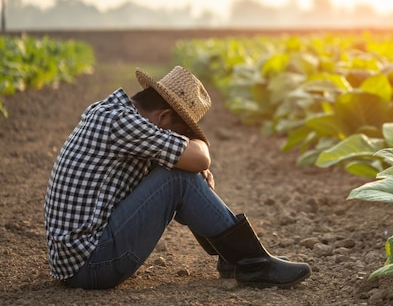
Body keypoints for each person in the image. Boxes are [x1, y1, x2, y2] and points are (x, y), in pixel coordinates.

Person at [43, 66, 311, 290]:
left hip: (78, 261)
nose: (179, 139)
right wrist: (194, 149)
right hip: (92, 265)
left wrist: (188, 163)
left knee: (180, 172)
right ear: (164, 117)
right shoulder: (123, 123)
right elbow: (201, 157)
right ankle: (253, 263)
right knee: (178, 178)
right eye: (179, 133)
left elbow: (180, 173)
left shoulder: (112, 112)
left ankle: (237, 258)